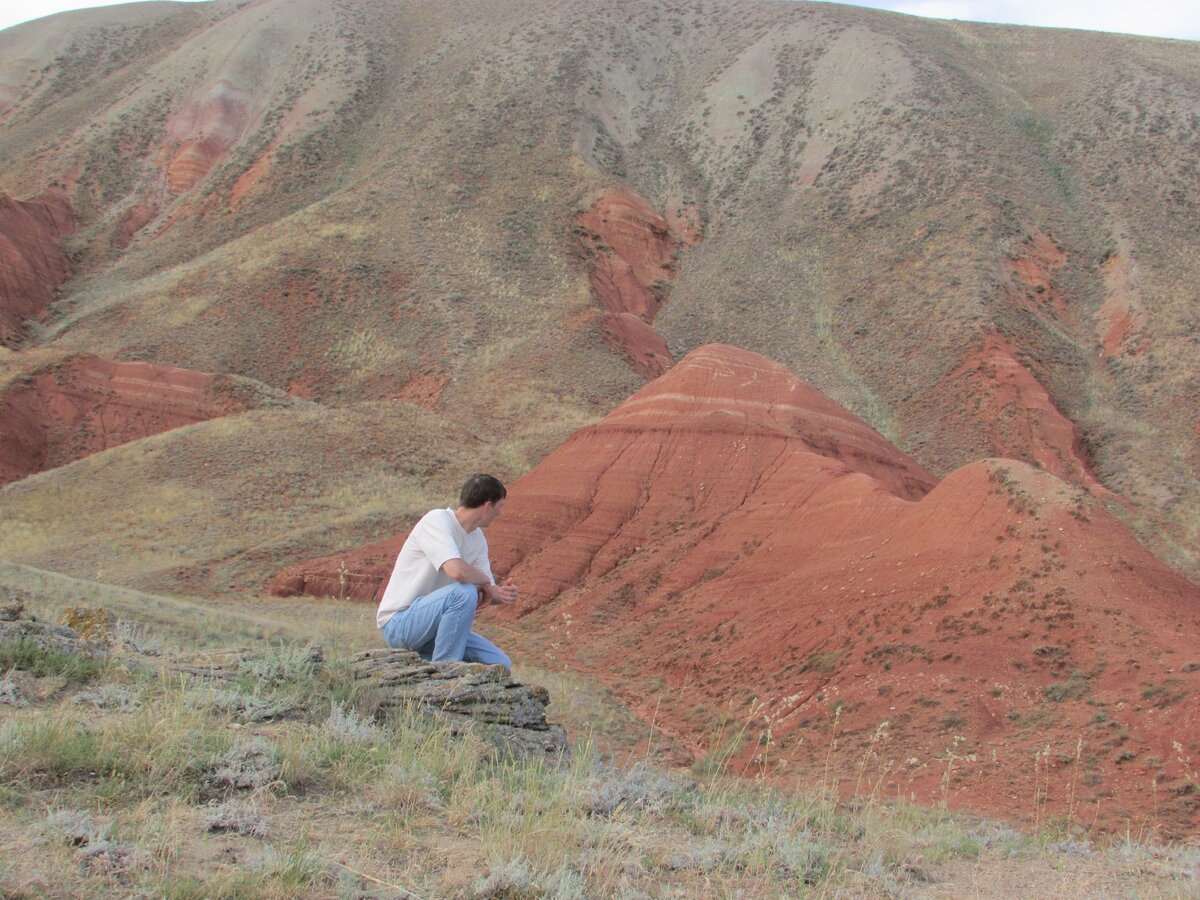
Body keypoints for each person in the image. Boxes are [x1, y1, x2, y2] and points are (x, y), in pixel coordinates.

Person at [376, 473, 517, 668]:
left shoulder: (478, 539)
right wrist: (484, 580)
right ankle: (445, 672)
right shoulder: (436, 521)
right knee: (464, 592)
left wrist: (499, 594)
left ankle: (441, 668)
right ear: (486, 506)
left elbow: (488, 591)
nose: (500, 513)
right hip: (400, 624)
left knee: (500, 664)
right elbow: (457, 571)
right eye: (499, 506)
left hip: (435, 631)